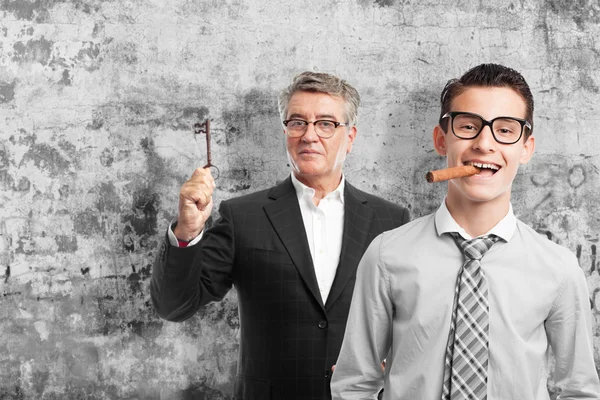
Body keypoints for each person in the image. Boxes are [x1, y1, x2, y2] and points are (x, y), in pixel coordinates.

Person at [330, 63, 600, 399]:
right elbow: (354, 384)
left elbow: (578, 390)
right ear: (442, 140)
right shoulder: (387, 255)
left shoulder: (558, 269)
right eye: (469, 126)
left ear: (526, 147)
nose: (484, 144)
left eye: (505, 130)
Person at [150, 71, 410, 400]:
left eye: (326, 124)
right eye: (298, 122)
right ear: (285, 131)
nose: (309, 135)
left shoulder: (390, 219)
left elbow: (408, 318)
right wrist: (187, 230)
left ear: (350, 136)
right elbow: (174, 306)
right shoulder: (242, 216)